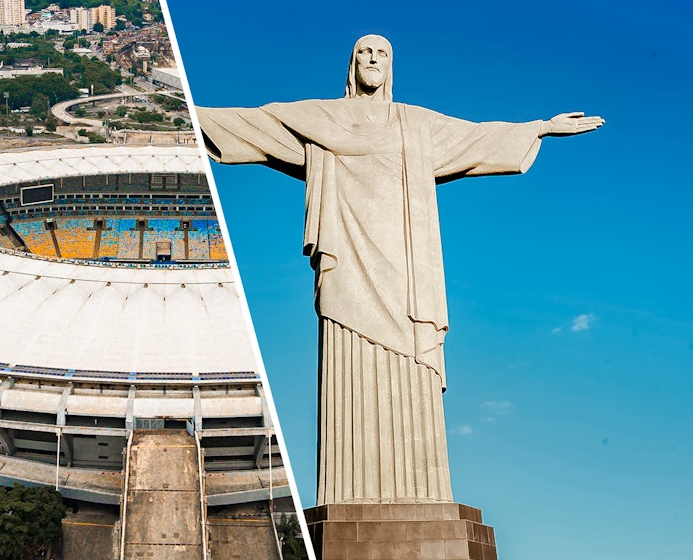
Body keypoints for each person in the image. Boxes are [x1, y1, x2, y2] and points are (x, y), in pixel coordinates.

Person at [197, 34, 603, 505]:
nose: (373, 60)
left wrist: (540, 127)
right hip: (347, 261)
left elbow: (477, 136)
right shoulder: (319, 118)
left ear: (391, 65)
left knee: (413, 361)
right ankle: (348, 491)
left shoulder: (415, 125)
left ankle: (423, 493)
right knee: (349, 367)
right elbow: (255, 125)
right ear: (352, 63)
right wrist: (193, 111)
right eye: (364, 53)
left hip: (407, 269)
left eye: (382, 53)